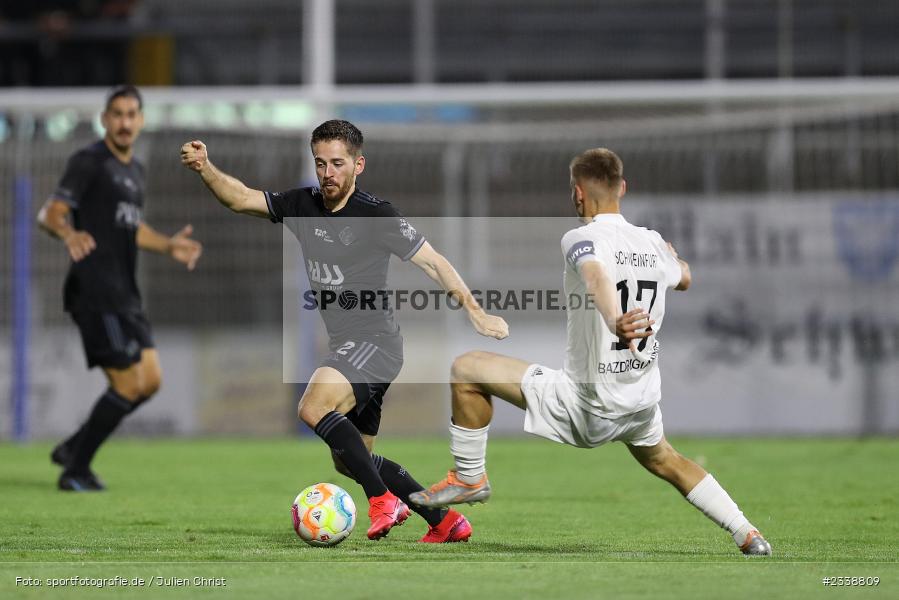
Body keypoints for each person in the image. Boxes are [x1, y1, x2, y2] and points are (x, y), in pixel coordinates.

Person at [410, 148, 772, 556]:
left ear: (577, 194)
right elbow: (685, 276)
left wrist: (615, 318)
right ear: (623, 188)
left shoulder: (580, 238)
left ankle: (470, 477)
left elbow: (595, 274)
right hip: (638, 403)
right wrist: (673, 258)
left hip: (587, 404)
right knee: (667, 460)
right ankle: (748, 533)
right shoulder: (651, 242)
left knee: (467, 369)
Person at [180, 119, 508, 543]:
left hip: (376, 342)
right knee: (351, 460)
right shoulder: (303, 205)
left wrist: (475, 312)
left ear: (359, 164)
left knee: (312, 407)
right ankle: (444, 521)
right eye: (320, 164)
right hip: (349, 344)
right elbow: (241, 199)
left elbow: (434, 261)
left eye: (337, 163)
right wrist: (206, 167)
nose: (328, 173)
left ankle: (382, 501)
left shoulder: (377, 214)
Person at [37, 84, 203, 491]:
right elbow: (50, 213)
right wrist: (68, 233)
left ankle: (74, 446)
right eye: (117, 114)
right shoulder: (89, 161)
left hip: (125, 293)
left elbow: (130, 227)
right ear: (105, 119)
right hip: (95, 292)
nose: (125, 122)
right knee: (128, 383)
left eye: (132, 114)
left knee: (151, 381)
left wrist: (167, 245)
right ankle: (75, 469)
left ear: (140, 121)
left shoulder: (134, 170)